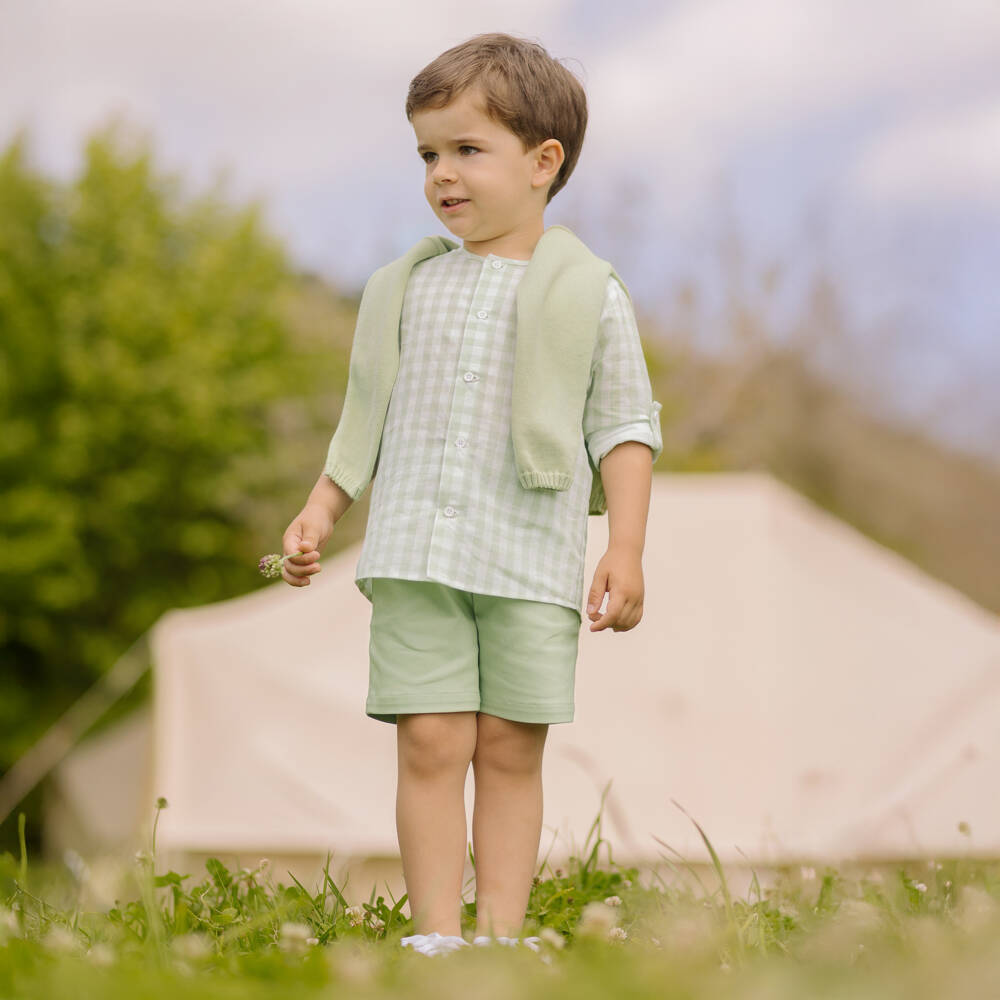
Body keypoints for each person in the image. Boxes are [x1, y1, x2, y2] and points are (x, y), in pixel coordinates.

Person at [279, 32, 662, 957]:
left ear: (543, 162)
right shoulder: (405, 289)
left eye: (465, 150)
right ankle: (435, 937)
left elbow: (623, 425)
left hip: (527, 555)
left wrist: (626, 547)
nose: (441, 174)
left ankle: (500, 936)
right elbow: (365, 415)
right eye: (427, 154)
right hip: (415, 550)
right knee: (430, 742)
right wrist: (322, 509)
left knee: (508, 748)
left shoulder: (589, 293)